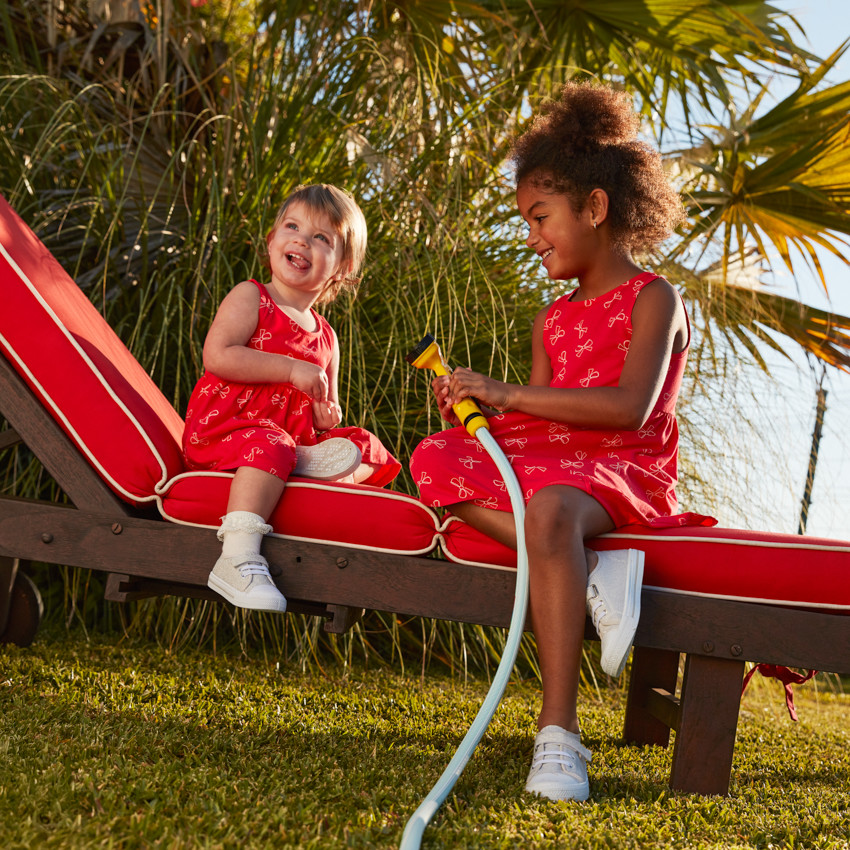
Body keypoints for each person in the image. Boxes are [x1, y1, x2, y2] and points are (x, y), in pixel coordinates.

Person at [409, 82, 715, 803]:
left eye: (540, 217)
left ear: (596, 208)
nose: (531, 234)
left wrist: (506, 393)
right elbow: (542, 423)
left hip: (625, 465)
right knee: (432, 457)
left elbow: (629, 409)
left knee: (547, 513)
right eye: (525, 221)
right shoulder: (551, 319)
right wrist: (475, 409)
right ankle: (596, 576)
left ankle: (559, 736)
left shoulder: (654, 298)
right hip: (562, 460)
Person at [183, 184, 400, 613]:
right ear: (272, 240)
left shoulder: (328, 337)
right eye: (293, 226)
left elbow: (325, 416)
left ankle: (303, 466)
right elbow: (218, 355)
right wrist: (289, 368)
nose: (302, 240)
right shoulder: (253, 297)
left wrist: (325, 414)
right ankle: (237, 557)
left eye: (322, 238)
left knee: (364, 446)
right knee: (272, 443)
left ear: (343, 267)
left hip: (290, 439)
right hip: (226, 432)